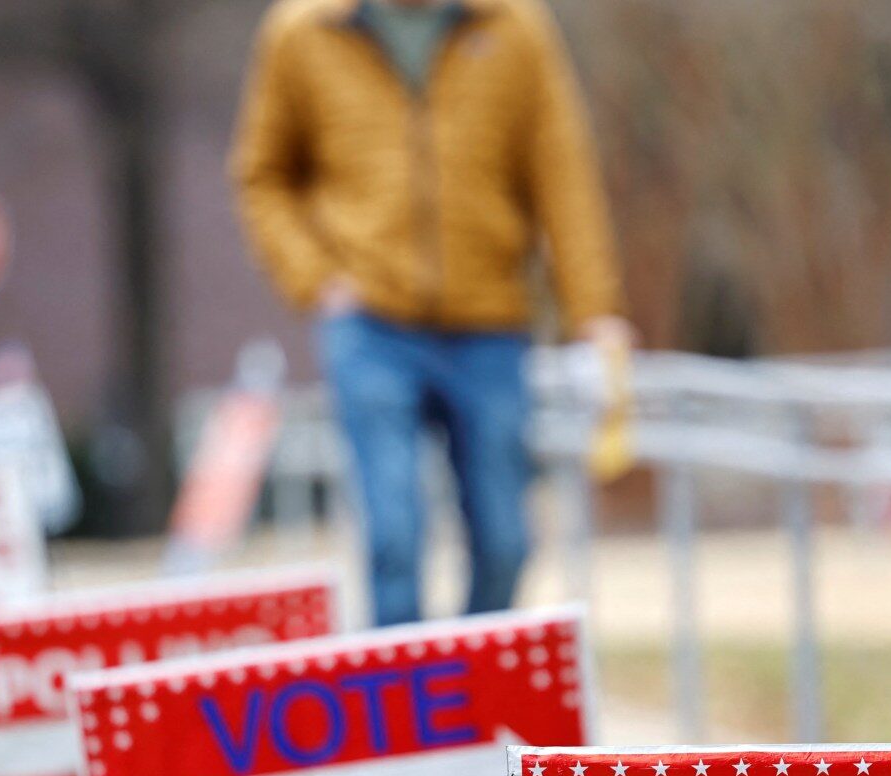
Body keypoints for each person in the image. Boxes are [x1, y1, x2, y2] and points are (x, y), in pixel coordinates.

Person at [231, 0, 635, 626]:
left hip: (492, 320)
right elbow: (263, 176)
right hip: (370, 323)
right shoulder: (303, 31)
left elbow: (562, 173)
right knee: (394, 539)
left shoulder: (513, 26)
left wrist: (593, 313)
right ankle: (405, 687)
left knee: (505, 541)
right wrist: (316, 280)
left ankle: (471, 676)